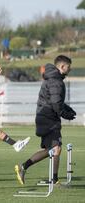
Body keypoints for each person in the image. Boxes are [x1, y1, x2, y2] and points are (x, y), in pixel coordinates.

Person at [15, 55, 76, 185]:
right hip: (48, 119)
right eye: (68, 67)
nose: (70, 69)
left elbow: (55, 101)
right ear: (62, 66)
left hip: (46, 117)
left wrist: (67, 109)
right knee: (56, 148)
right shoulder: (55, 81)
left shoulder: (54, 79)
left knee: (51, 149)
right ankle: (53, 179)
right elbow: (55, 104)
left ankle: (24, 167)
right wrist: (66, 114)